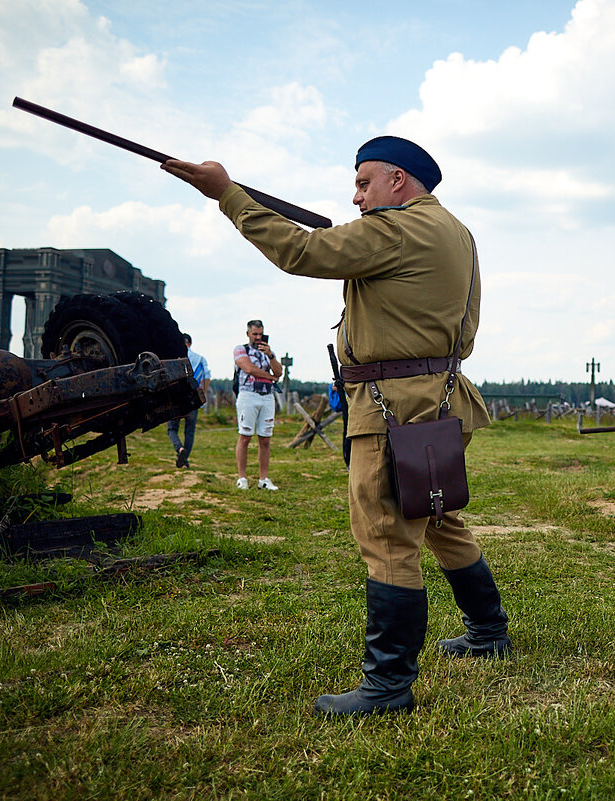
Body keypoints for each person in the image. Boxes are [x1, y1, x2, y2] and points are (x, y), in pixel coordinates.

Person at [162, 135, 511, 718]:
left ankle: (388, 685)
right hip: (442, 395)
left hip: (392, 404)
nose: (355, 198)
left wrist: (227, 195)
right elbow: (467, 324)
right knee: (436, 517)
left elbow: (302, 252)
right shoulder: (457, 233)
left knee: (386, 532)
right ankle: (488, 631)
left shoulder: (394, 229)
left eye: (363, 182)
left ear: (398, 180)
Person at [233, 320, 281, 491]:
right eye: (255, 334)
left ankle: (263, 478)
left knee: (265, 439)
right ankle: (242, 477)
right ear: (248, 334)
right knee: (245, 436)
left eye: (260, 334)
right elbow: (249, 368)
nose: (258, 337)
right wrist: (271, 378)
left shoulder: (269, 352)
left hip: (267, 396)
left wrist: (271, 356)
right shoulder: (240, 349)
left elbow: (279, 371)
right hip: (248, 395)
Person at [167, 333, 209, 468]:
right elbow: (206, 377)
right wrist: (202, 393)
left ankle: (179, 449)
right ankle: (184, 461)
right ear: (190, 343)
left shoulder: (172, 358)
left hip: (175, 399)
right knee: (189, 431)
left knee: (172, 429)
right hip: (193, 398)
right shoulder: (200, 359)